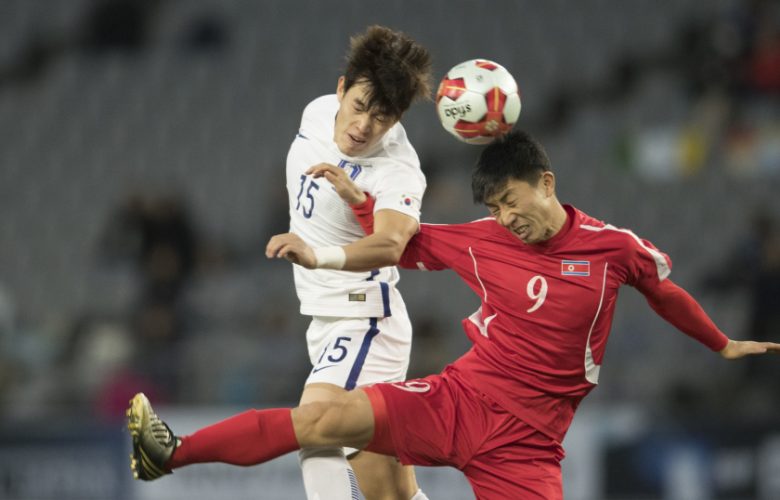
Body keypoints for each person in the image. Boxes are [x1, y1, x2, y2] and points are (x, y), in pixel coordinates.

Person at [128, 131, 780, 499]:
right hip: (457, 399)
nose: (506, 217)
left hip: (528, 446)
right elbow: (404, 243)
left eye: (512, 200)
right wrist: (360, 203)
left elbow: (663, 292)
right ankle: (171, 453)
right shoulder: (483, 240)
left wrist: (720, 343)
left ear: (546, 183)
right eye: (494, 208)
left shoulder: (612, 248)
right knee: (323, 421)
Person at [127, 25, 434, 500]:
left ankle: (170, 452)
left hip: (366, 322)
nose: (363, 126)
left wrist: (318, 255)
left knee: (313, 428)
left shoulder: (398, 169)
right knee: (390, 493)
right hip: (326, 321)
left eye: (382, 117)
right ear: (341, 89)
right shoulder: (318, 112)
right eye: (359, 106)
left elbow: (391, 244)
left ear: (397, 120)